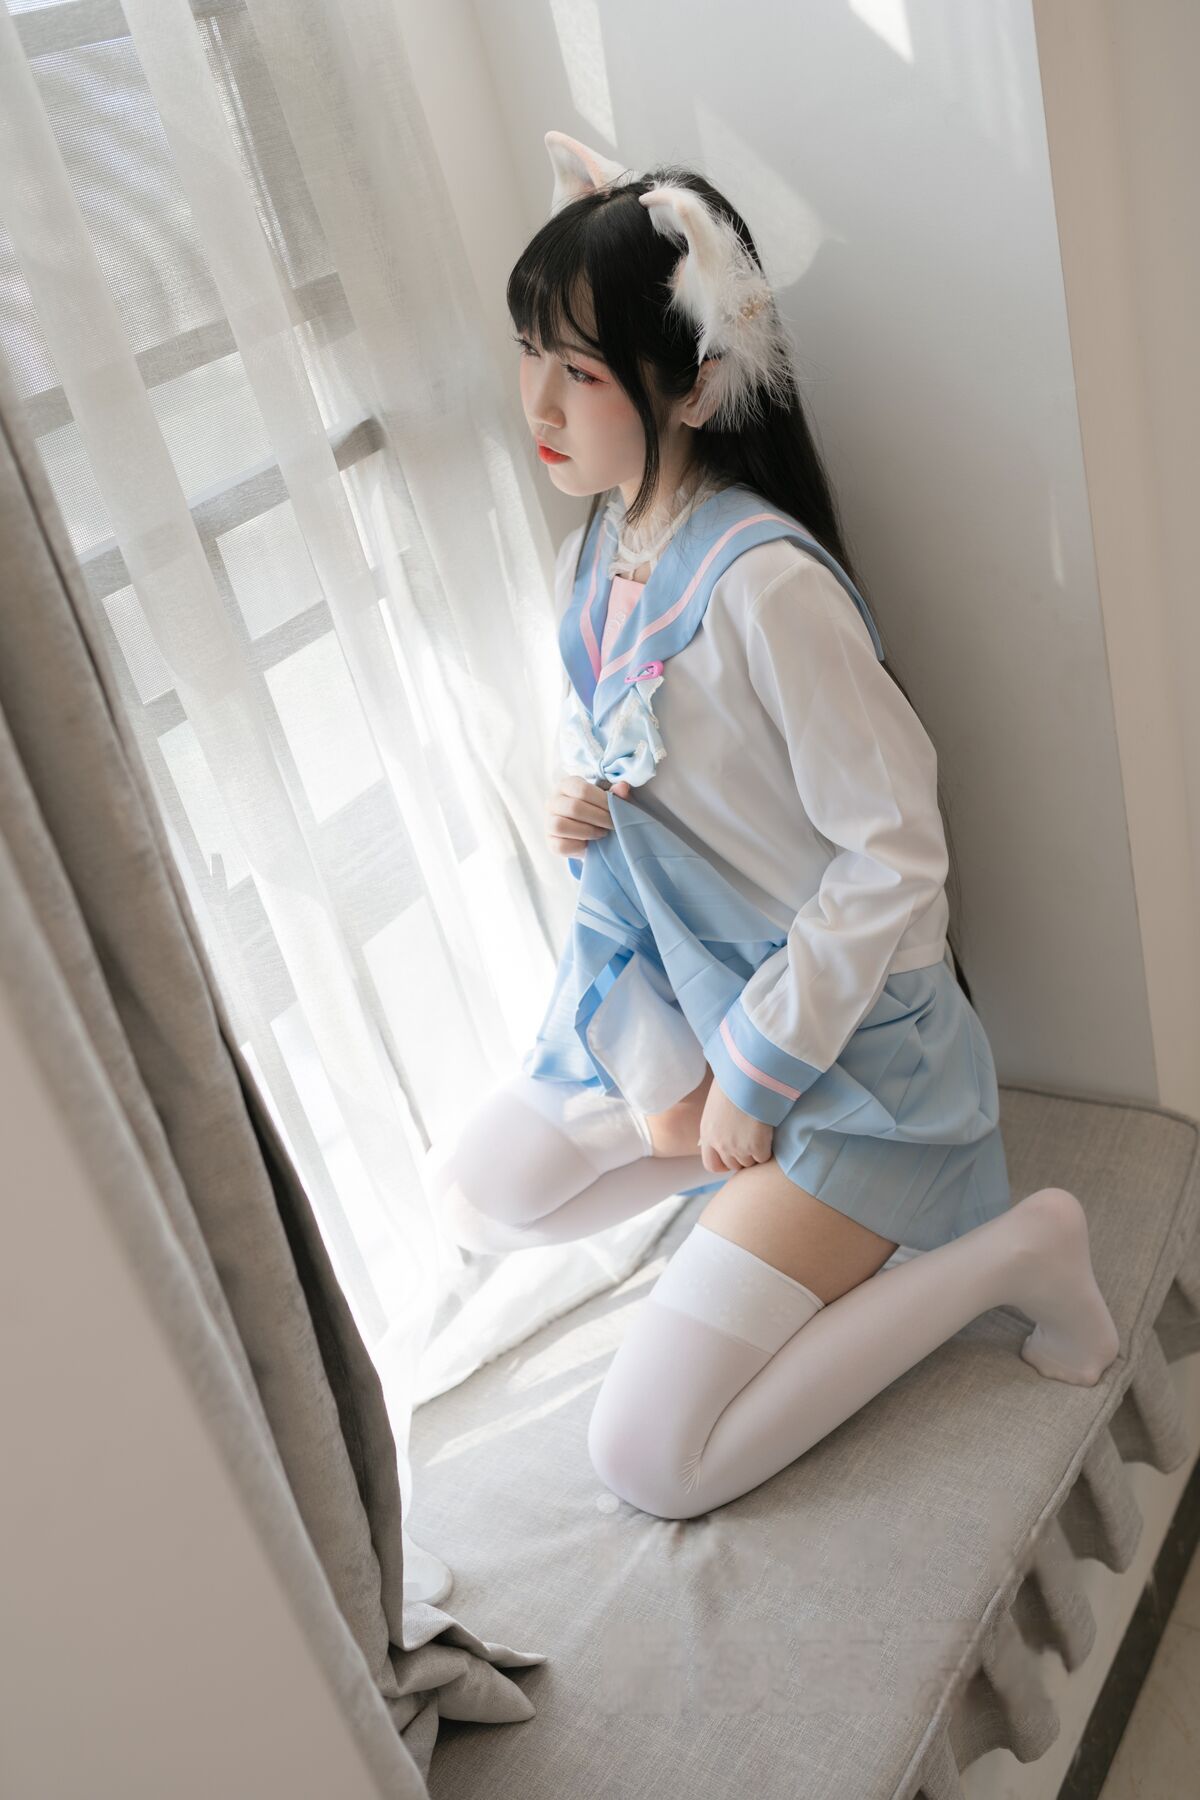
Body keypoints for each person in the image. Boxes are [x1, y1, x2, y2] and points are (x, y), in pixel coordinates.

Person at [423, 130, 1120, 1522]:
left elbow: (896, 852)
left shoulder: (764, 586)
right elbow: (633, 759)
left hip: (856, 1056)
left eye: (581, 371)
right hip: (704, 992)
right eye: (530, 353)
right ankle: (734, 1181)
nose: (537, 402)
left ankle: (1012, 1251)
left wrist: (750, 1075)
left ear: (690, 384)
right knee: (477, 1195)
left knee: (649, 1461)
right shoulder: (600, 550)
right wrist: (584, 808)